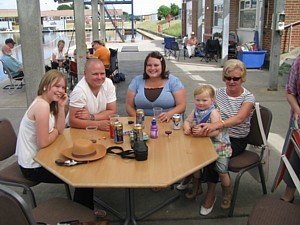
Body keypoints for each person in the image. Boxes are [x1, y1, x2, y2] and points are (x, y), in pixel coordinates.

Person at [14, 70, 106, 216]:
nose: (60, 91)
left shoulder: (50, 103)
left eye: (63, 87)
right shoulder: (42, 106)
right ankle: (83, 214)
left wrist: (62, 106)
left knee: (85, 165)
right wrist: (55, 131)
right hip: (33, 166)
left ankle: (84, 208)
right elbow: (44, 142)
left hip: (42, 157)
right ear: (45, 85)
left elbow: (61, 129)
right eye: (56, 86)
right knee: (83, 175)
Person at [197, 59, 255, 215]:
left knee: (212, 154)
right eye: (228, 78)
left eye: (236, 78)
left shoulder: (248, 97)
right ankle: (195, 181)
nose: (231, 81)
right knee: (195, 146)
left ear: (242, 78)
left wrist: (216, 125)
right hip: (217, 134)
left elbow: (239, 119)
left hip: (236, 139)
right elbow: (206, 109)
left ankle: (213, 192)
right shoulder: (219, 93)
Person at [182, 85, 232, 205]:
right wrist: (187, 128)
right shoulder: (196, 110)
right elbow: (187, 120)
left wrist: (201, 133)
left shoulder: (213, 113)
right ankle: (196, 186)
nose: (201, 103)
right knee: (196, 165)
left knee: (222, 171)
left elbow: (216, 131)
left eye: (204, 100)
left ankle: (227, 192)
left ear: (212, 100)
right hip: (203, 143)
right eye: (198, 100)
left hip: (220, 145)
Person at [126, 51, 186, 122]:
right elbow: (129, 107)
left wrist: (169, 114)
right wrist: (140, 120)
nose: (152, 68)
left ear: (162, 66)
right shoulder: (136, 81)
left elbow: (182, 105)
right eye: (149, 65)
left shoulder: (173, 81)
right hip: (142, 124)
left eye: (156, 65)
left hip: (168, 123)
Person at [68, 58, 117, 130]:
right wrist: (98, 124)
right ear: (85, 74)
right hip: (78, 130)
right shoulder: (79, 91)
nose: (100, 77)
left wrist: (91, 117)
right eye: (95, 74)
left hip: (98, 128)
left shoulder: (108, 83)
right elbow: (73, 121)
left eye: (102, 73)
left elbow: (112, 111)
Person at [279, 56, 300, 203]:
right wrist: (297, 109)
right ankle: (289, 192)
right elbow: (290, 92)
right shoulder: (298, 63)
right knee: (294, 157)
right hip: (299, 120)